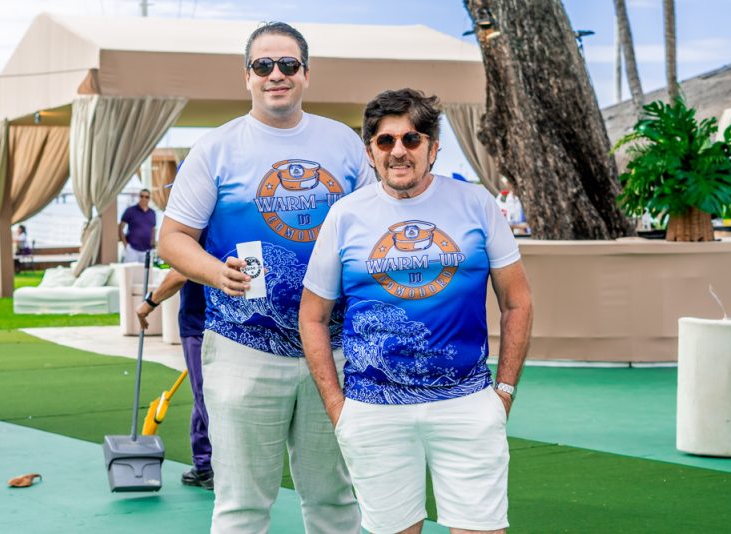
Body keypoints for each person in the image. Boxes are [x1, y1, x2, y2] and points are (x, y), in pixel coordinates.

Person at [158, 21, 376, 533]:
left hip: (335, 346)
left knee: (335, 502)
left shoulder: (344, 143)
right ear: (247, 77)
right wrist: (217, 273)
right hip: (243, 347)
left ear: (306, 73)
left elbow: (374, 225)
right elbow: (172, 239)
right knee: (241, 506)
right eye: (263, 66)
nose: (276, 75)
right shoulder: (216, 148)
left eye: (288, 65)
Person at [300, 89, 534, 534]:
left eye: (411, 139)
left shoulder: (477, 205)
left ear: (433, 147)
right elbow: (312, 315)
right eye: (385, 141)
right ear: (370, 151)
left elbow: (518, 301)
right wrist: (338, 406)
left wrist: (502, 393)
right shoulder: (345, 216)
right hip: (373, 409)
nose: (398, 151)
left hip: (465, 402)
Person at [135, 263, 213, 490]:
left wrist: (149, 303)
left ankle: (220, 468)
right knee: (203, 398)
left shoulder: (195, 230)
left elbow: (180, 274)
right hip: (222, 323)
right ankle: (204, 464)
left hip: (200, 324)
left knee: (206, 398)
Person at [119, 189, 156, 263]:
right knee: (130, 273)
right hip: (132, 250)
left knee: (146, 274)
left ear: (149, 198)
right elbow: (120, 228)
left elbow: (153, 229)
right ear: (139, 197)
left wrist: (153, 244)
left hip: (147, 250)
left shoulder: (152, 213)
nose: (144, 198)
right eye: (141, 196)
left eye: (146, 197)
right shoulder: (130, 210)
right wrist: (125, 245)